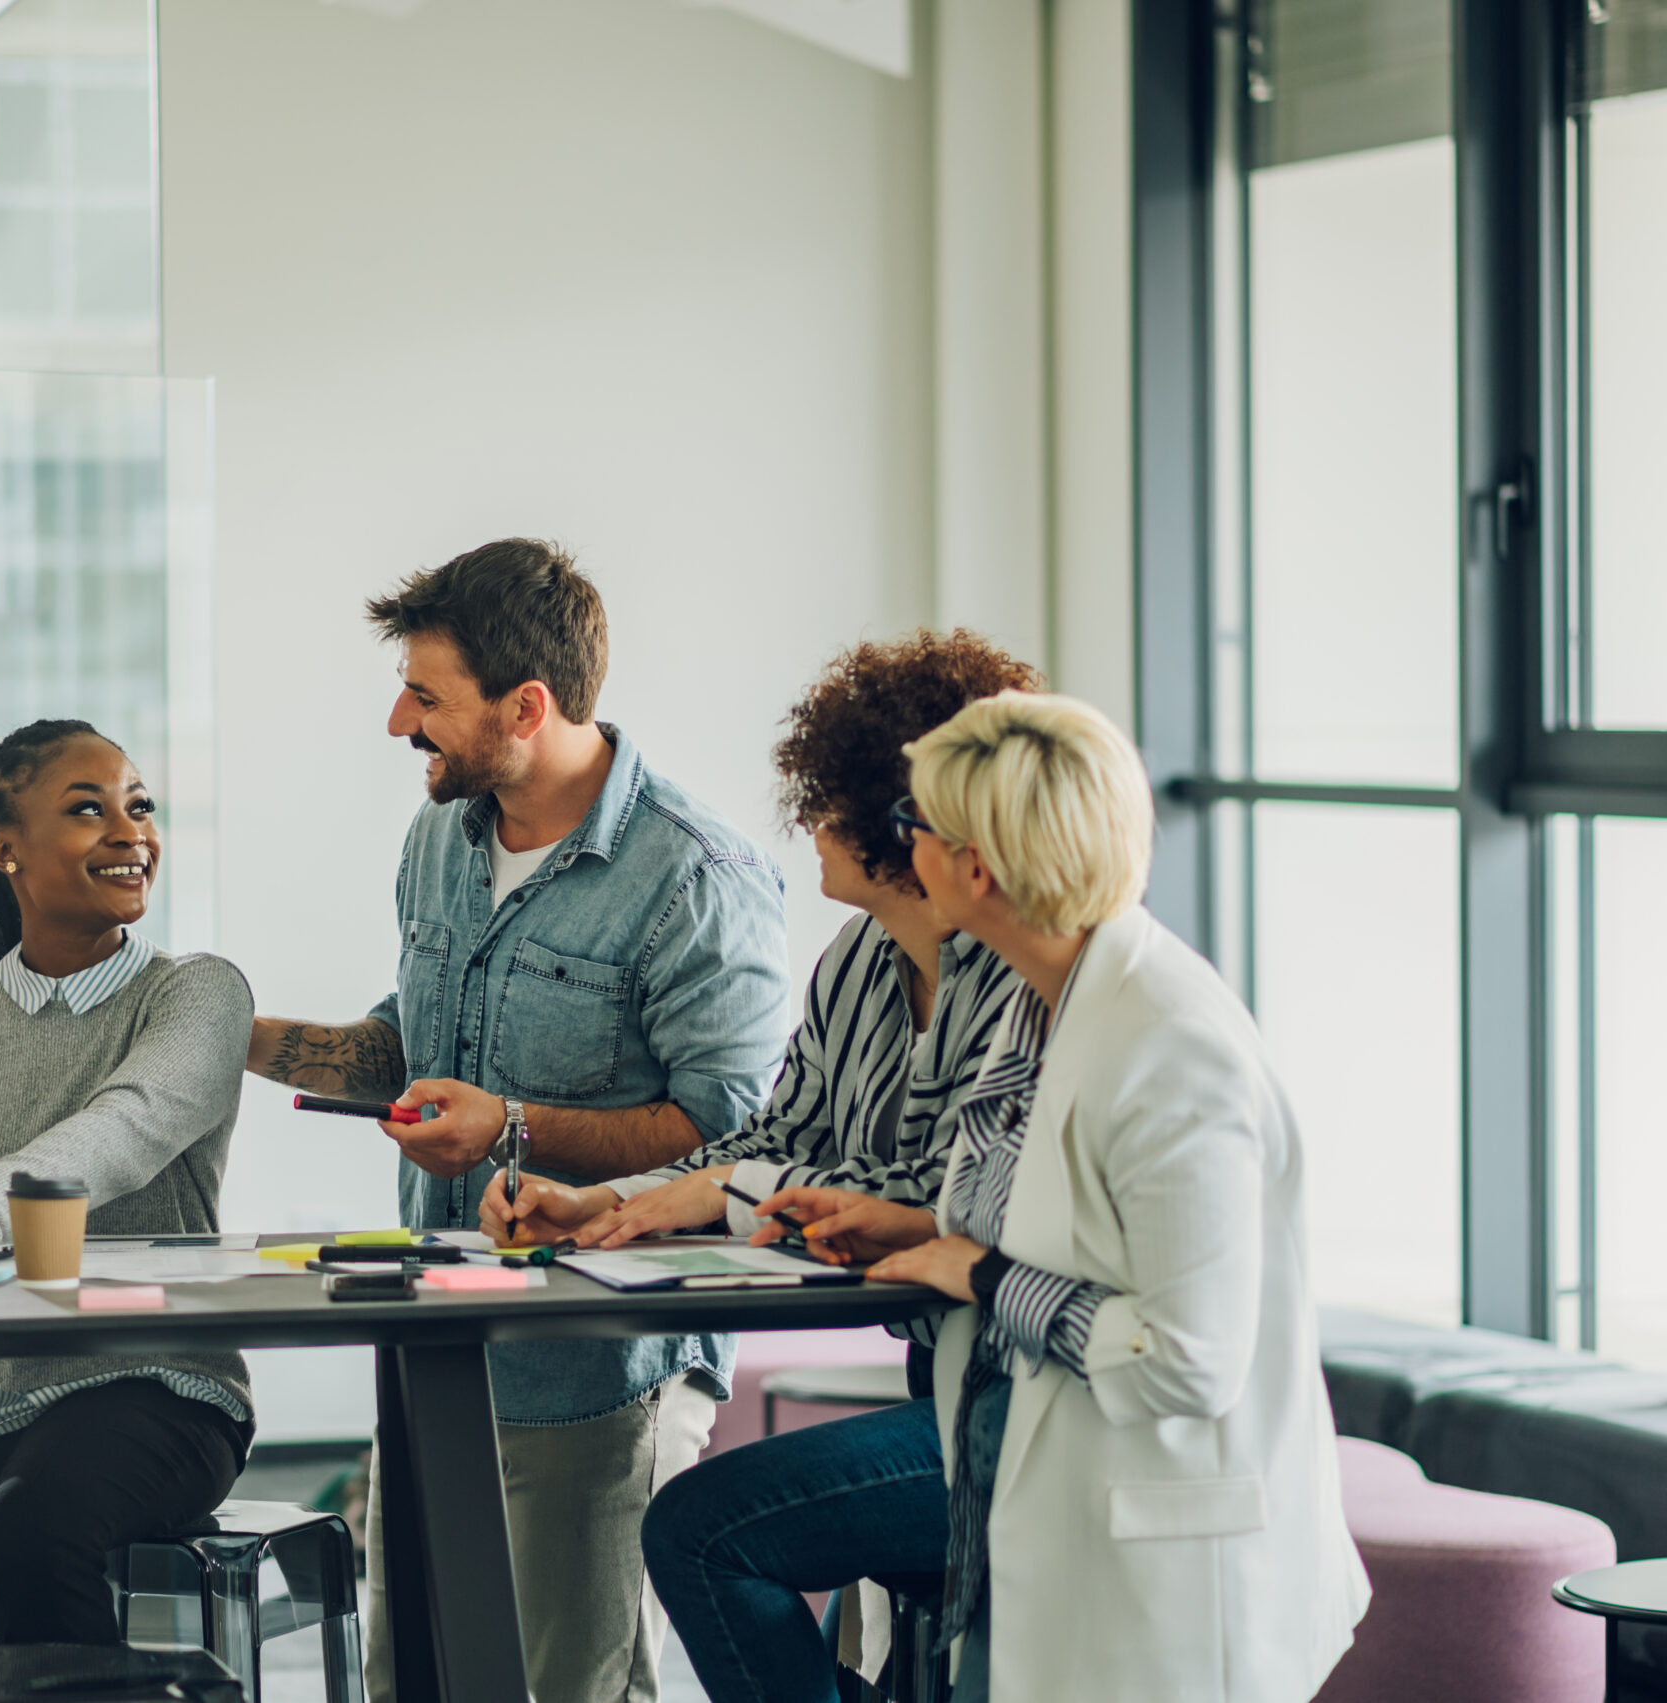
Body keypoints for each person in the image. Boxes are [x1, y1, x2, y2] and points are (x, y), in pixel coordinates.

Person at [655, 691, 1369, 1702]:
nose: (901, 844)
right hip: (1026, 1483)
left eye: (917, 826)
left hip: (1158, 1553)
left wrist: (980, 1271)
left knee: (708, 1531)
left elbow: (1188, 1360)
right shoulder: (1046, 1004)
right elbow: (1070, 1227)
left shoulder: (1171, 1047)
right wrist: (920, 1226)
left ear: (973, 866)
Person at [246, 539, 794, 1703]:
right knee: (421, 1678)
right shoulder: (438, 840)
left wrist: (515, 1128)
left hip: (599, 1373)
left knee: (571, 1689)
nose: (401, 718)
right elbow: (413, 1046)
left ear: (526, 705)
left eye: (427, 695)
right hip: (437, 1352)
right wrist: (224, 1027)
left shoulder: (695, 876)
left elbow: (735, 1134)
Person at [0, 718, 257, 1657]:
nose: (131, 833)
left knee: (33, 1526)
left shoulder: (199, 994)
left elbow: (125, 1128)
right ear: (6, 849)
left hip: (160, 1380)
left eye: (139, 807)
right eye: (89, 811)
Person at [482, 630, 1037, 1270]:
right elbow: (777, 1141)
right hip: (934, 1351)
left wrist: (727, 1188)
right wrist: (603, 1204)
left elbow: (946, 1197)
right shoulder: (856, 958)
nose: (811, 820)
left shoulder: (1024, 976)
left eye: (835, 793)